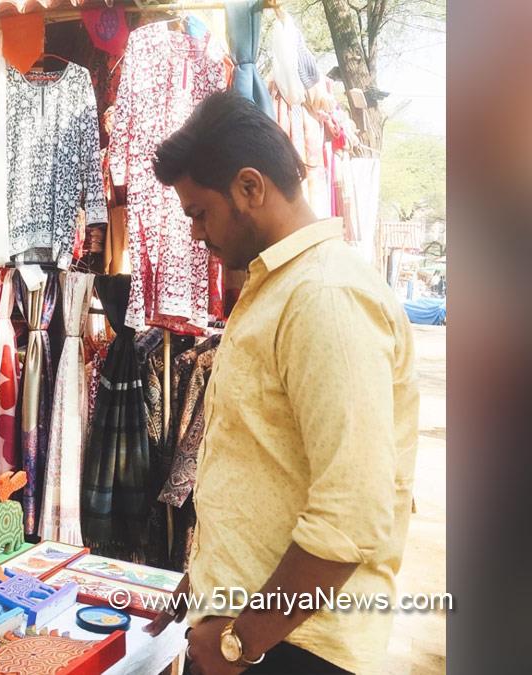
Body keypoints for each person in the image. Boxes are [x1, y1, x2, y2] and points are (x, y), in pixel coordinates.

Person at [142, 91, 418, 674]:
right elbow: (266, 463)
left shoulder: (325, 297)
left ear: (249, 188)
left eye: (199, 213)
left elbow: (352, 513)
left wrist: (241, 642)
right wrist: (206, 576)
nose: (196, 235)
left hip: (295, 648)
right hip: (256, 631)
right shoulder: (283, 287)